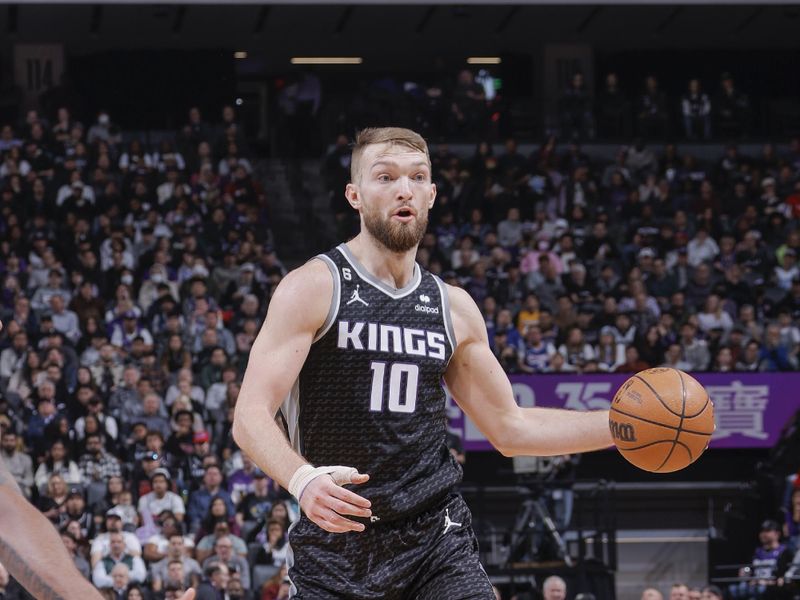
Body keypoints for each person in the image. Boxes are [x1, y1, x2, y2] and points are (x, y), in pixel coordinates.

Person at [232, 127, 613, 598]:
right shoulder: (313, 287)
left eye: (417, 177)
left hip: (436, 537)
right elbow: (249, 415)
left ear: (431, 194)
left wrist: (621, 426)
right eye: (385, 177)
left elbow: (512, 429)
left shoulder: (453, 307)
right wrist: (302, 479)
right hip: (338, 543)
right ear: (354, 194)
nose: (403, 189)